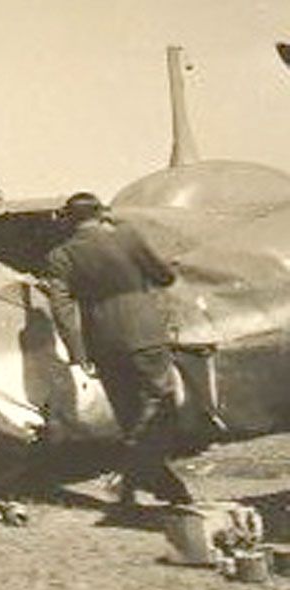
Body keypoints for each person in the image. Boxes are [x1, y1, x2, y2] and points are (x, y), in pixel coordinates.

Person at [44, 192, 193, 506]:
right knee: (160, 408)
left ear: (71, 221)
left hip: (104, 344)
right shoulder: (127, 237)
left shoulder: (61, 256)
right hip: (146, 335)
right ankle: (134, 474)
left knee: (129, 415)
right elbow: (165, 276)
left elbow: (62, 309)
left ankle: (161, 486)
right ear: (101, 214)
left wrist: (79, 353)